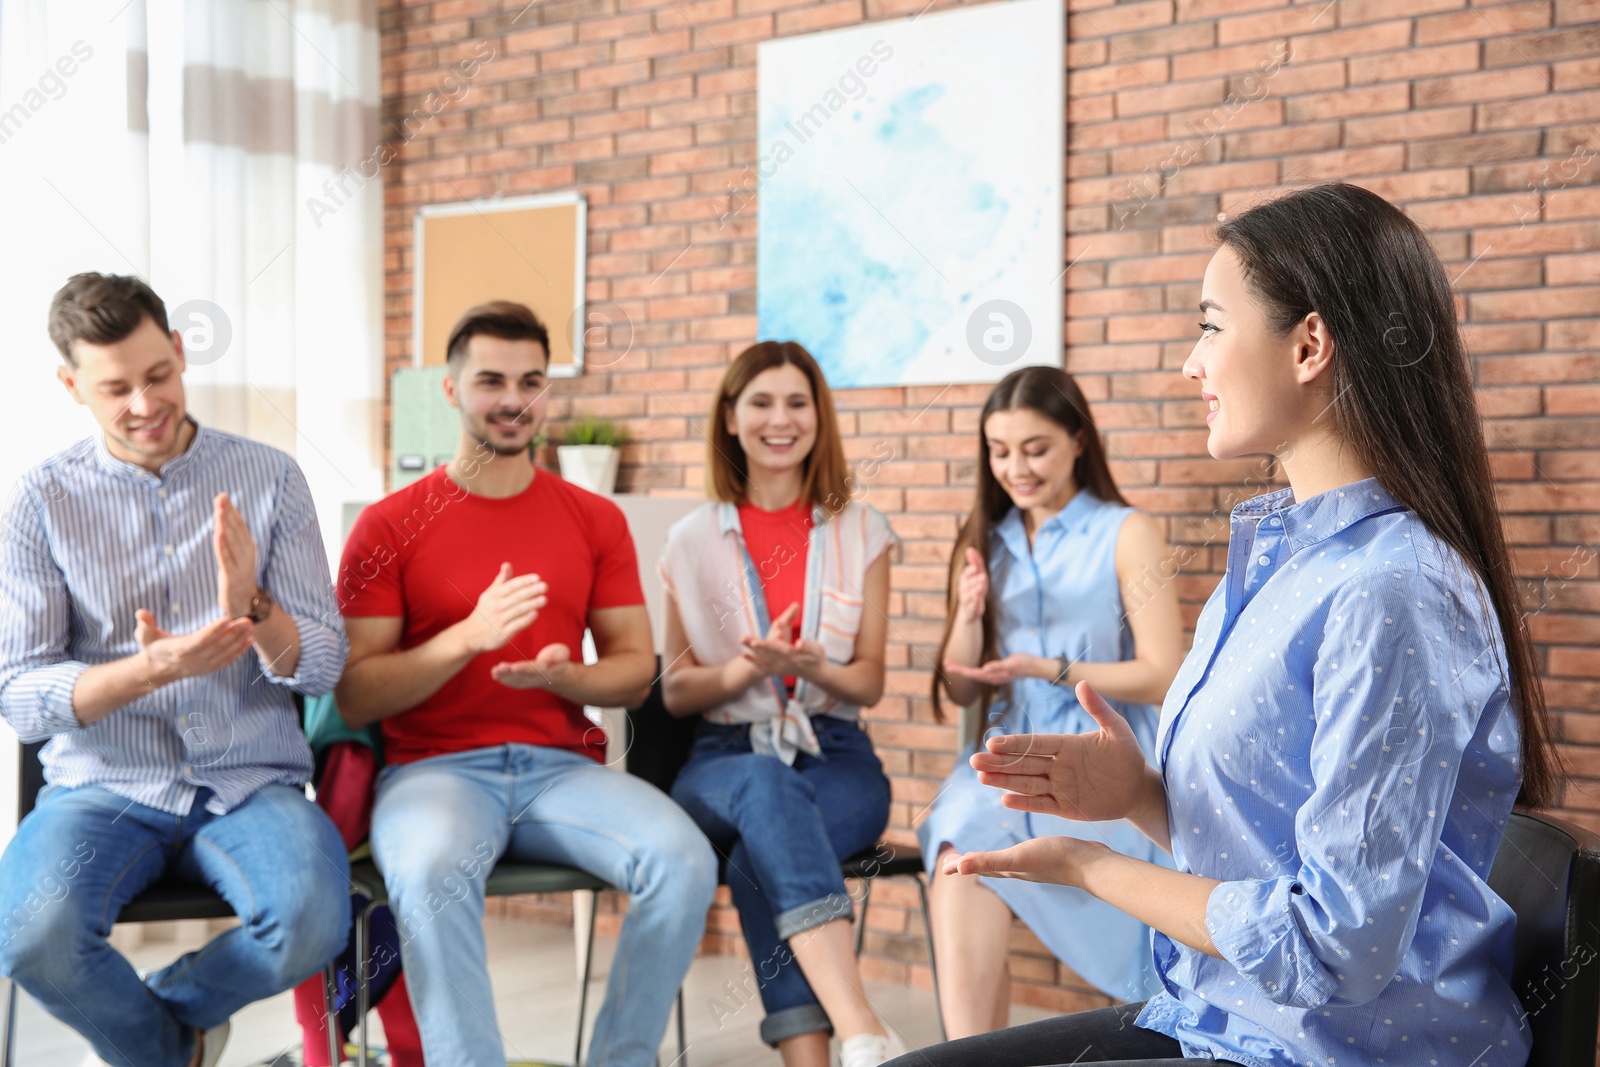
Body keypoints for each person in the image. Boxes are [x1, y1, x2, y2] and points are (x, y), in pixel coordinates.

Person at [888, 182, 1559, 1067]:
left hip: (1331, 1048)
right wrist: (1135, 797)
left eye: (1210, 325)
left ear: (1310, 343)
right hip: (1222, 1015)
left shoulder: (1391, 588)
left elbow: (1333, 942)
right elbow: (1273, 847)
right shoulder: (1278, 553)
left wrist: (1094, 867)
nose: (1190, 363)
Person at [333, 300, 717, 1067]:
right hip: (433, 770)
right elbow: (355, 693)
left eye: (532, 380)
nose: (514, 399)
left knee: (685, 859)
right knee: (433, 869)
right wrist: (465, 638)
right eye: (491, 380)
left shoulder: (592, 518)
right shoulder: (387, 524)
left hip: (560, 770)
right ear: (450, 391)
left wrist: (570, 674)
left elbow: (636, 666)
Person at [0, 272, 351, 1067]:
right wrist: (146, 669)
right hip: (103, 787)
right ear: (71, 385)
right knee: (29, 937)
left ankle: (166, 1020)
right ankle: (175, 1050)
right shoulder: (40, 500)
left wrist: (256, 609)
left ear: (182, 352)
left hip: (249, 781)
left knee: (311, 919)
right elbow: (21, 694)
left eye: (158, 374)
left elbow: (323, 664)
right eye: (115, 387)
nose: (144, 403)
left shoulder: (270, 478)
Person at [658, 340, 904, 1067]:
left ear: (818, 417)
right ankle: (860, 1024)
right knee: (765, 792)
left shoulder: (864, 530)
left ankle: (817, 1058)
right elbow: (674, 690)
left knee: (757, 860)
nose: (780, 418)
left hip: (838, 755)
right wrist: (742, 669)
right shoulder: (688, 539)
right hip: (725, 757)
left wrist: (814, 665)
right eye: (761, 402)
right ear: (730, 418)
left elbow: (870, 683)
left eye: (797, 402)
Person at [920, 366, 1184, 1034]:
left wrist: (1054, 668)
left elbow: (1163, 671)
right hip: (1011, 750)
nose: (1016, 468)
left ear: (1077, 439)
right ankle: (967, 1052)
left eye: (1034, 448)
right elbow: (958, 689)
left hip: (1108, 751)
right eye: (999, 450)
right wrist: (968, 615)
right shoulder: (985, 541)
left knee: (1075, 845)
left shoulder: (1127, 533)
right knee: (960, 848)